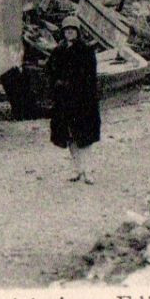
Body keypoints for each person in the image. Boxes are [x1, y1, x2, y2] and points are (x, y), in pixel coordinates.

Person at [46, 16, 102, 184]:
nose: (69, 32)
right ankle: (77, 170)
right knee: (69, 135)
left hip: (83, 100)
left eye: (72, 29)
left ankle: (88, 171)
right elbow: (49, 70)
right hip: (64, 101)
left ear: (78, 32)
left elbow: (90, 76)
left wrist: (77, 86)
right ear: (63, 32)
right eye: (66, 30)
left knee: (85, 137)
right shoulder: (58, 51)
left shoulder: (86, 51)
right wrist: (57, 83)